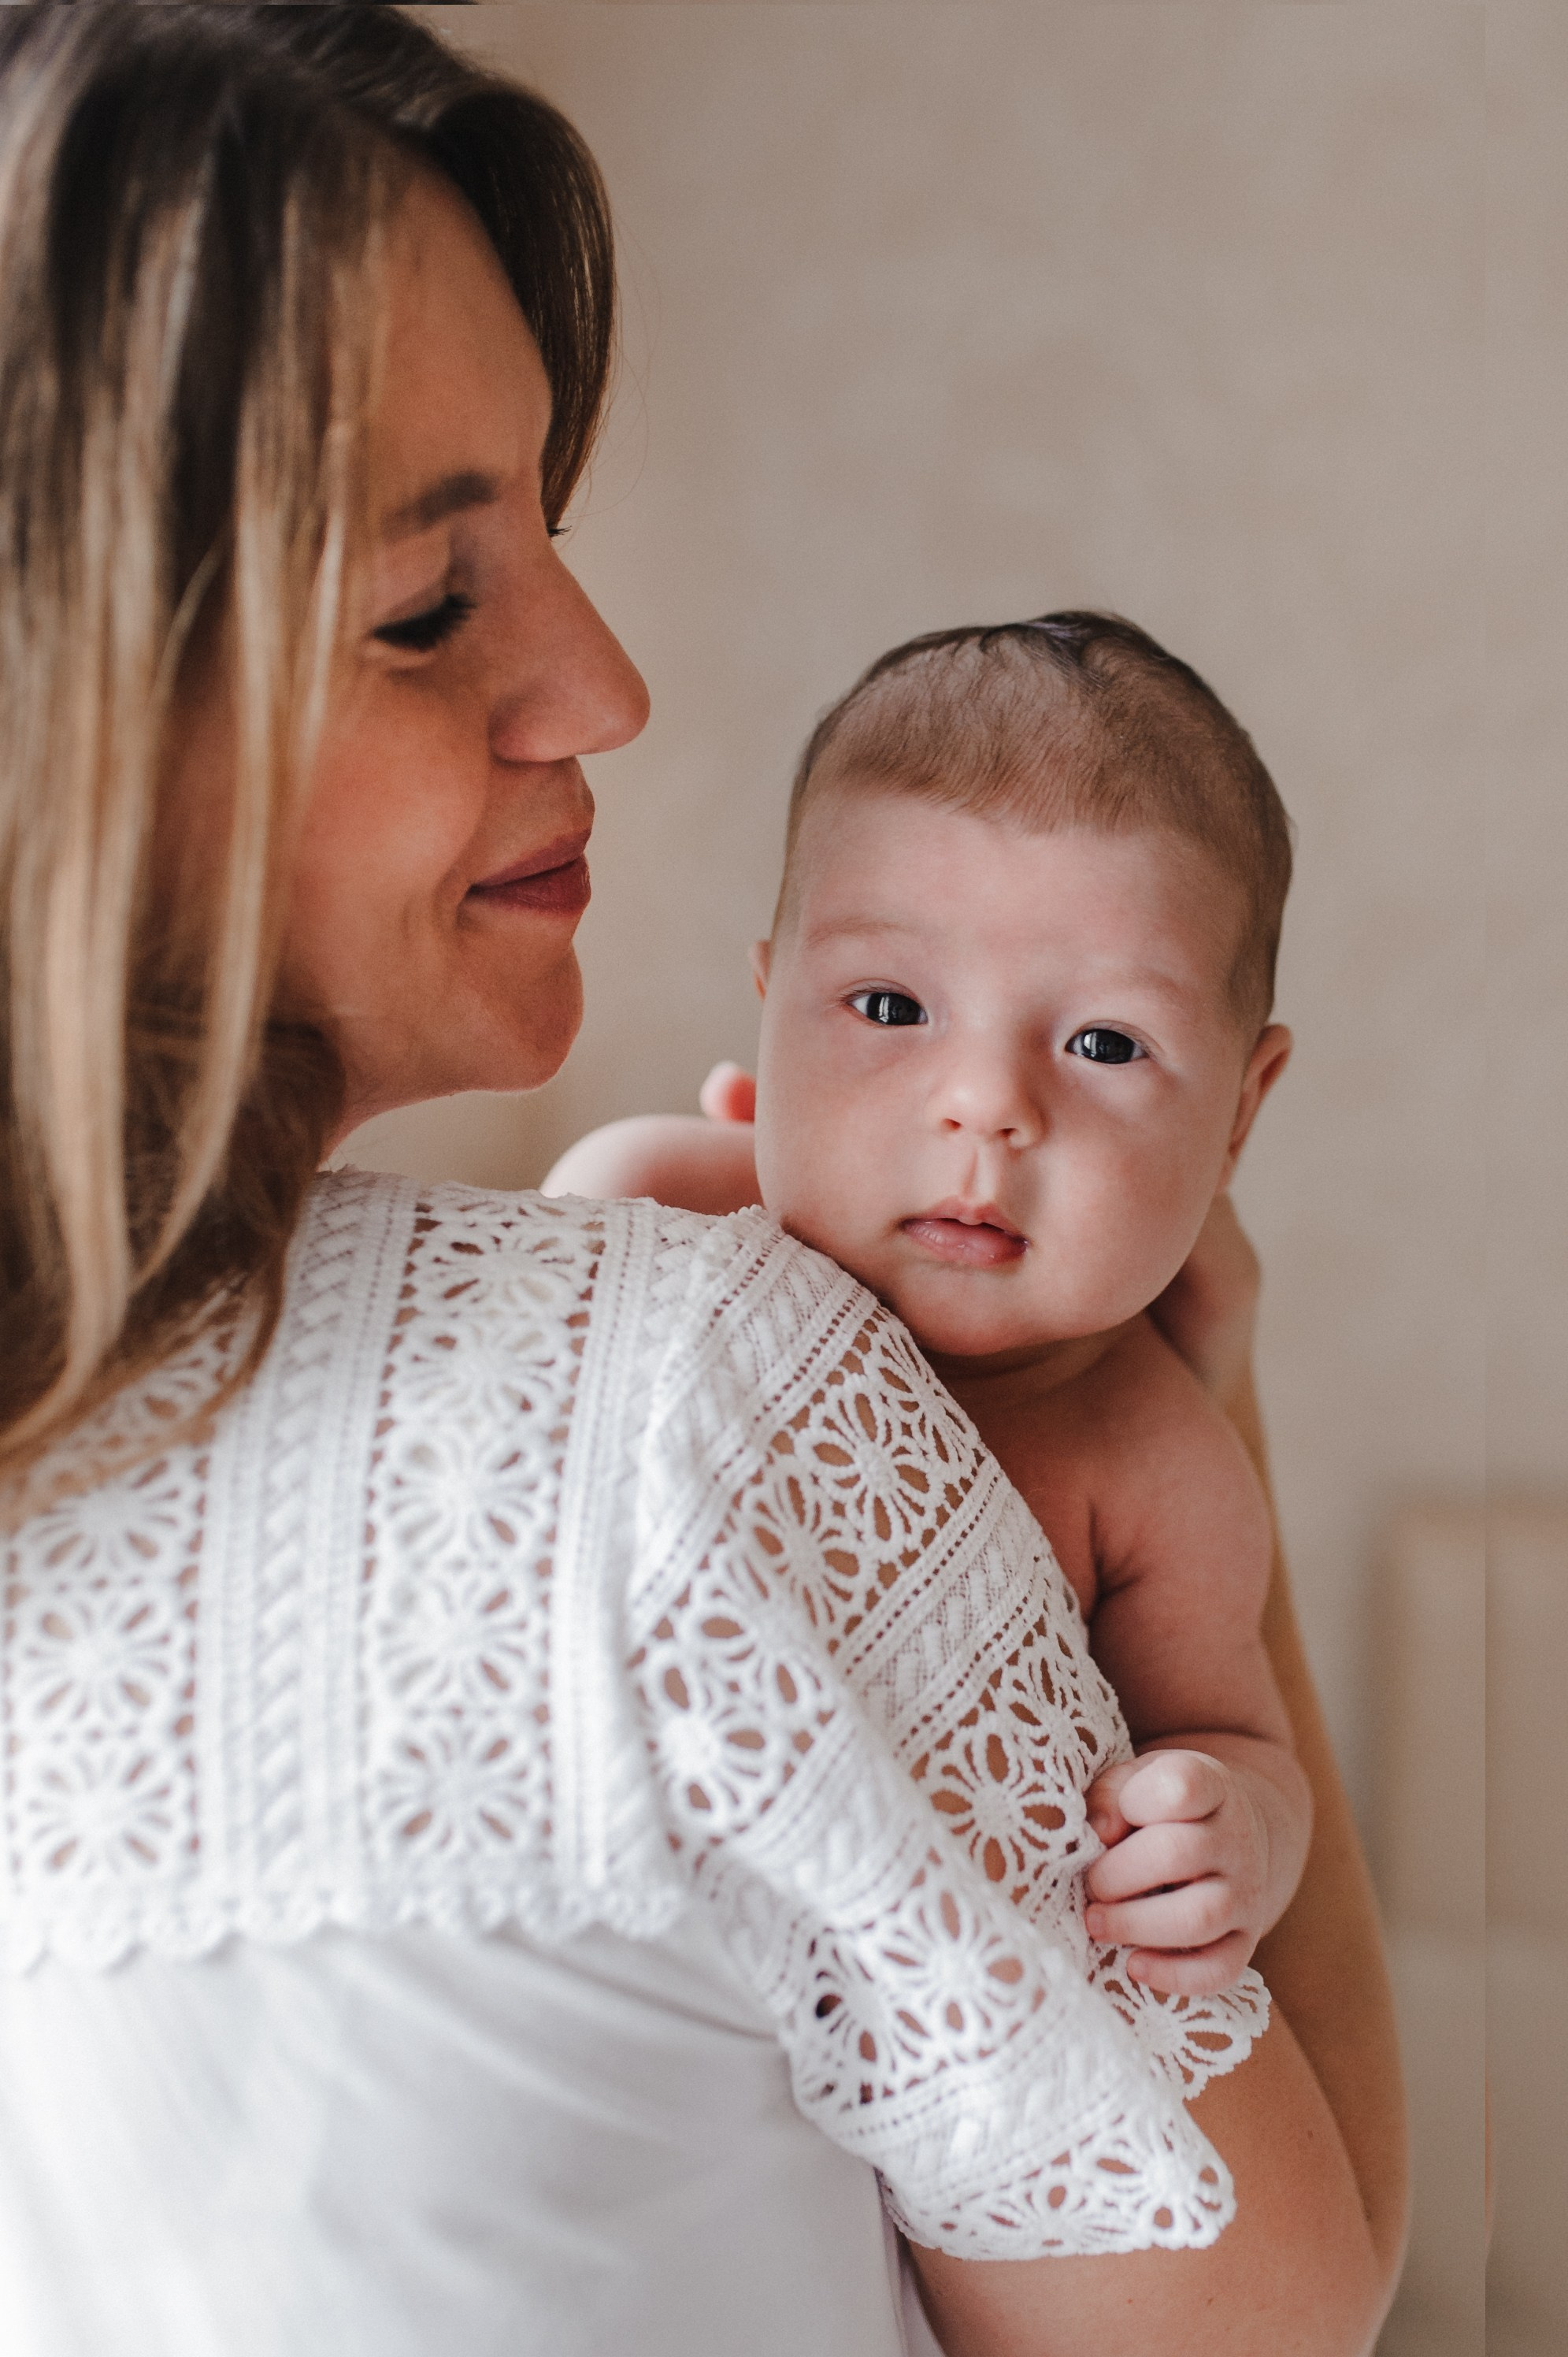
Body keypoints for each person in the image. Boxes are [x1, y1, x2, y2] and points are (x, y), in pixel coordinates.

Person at [0, 10, 1405, 2356]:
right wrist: (1170, 1388)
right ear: (73, 727)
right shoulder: (698, 1392)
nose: (610, 684)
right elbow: (1263, 2318)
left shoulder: (651, 1309)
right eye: (435, 609)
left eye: (549, 534)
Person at [546, 612, 1310, 2003]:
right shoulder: (653, 1213)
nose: (988, 1105)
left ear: (1239, 1115)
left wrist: (1236, 1831)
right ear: (772, 1017)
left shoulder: (1156, 1462)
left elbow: (1240, 1736)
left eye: (1102, 1043)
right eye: (890, 1005)